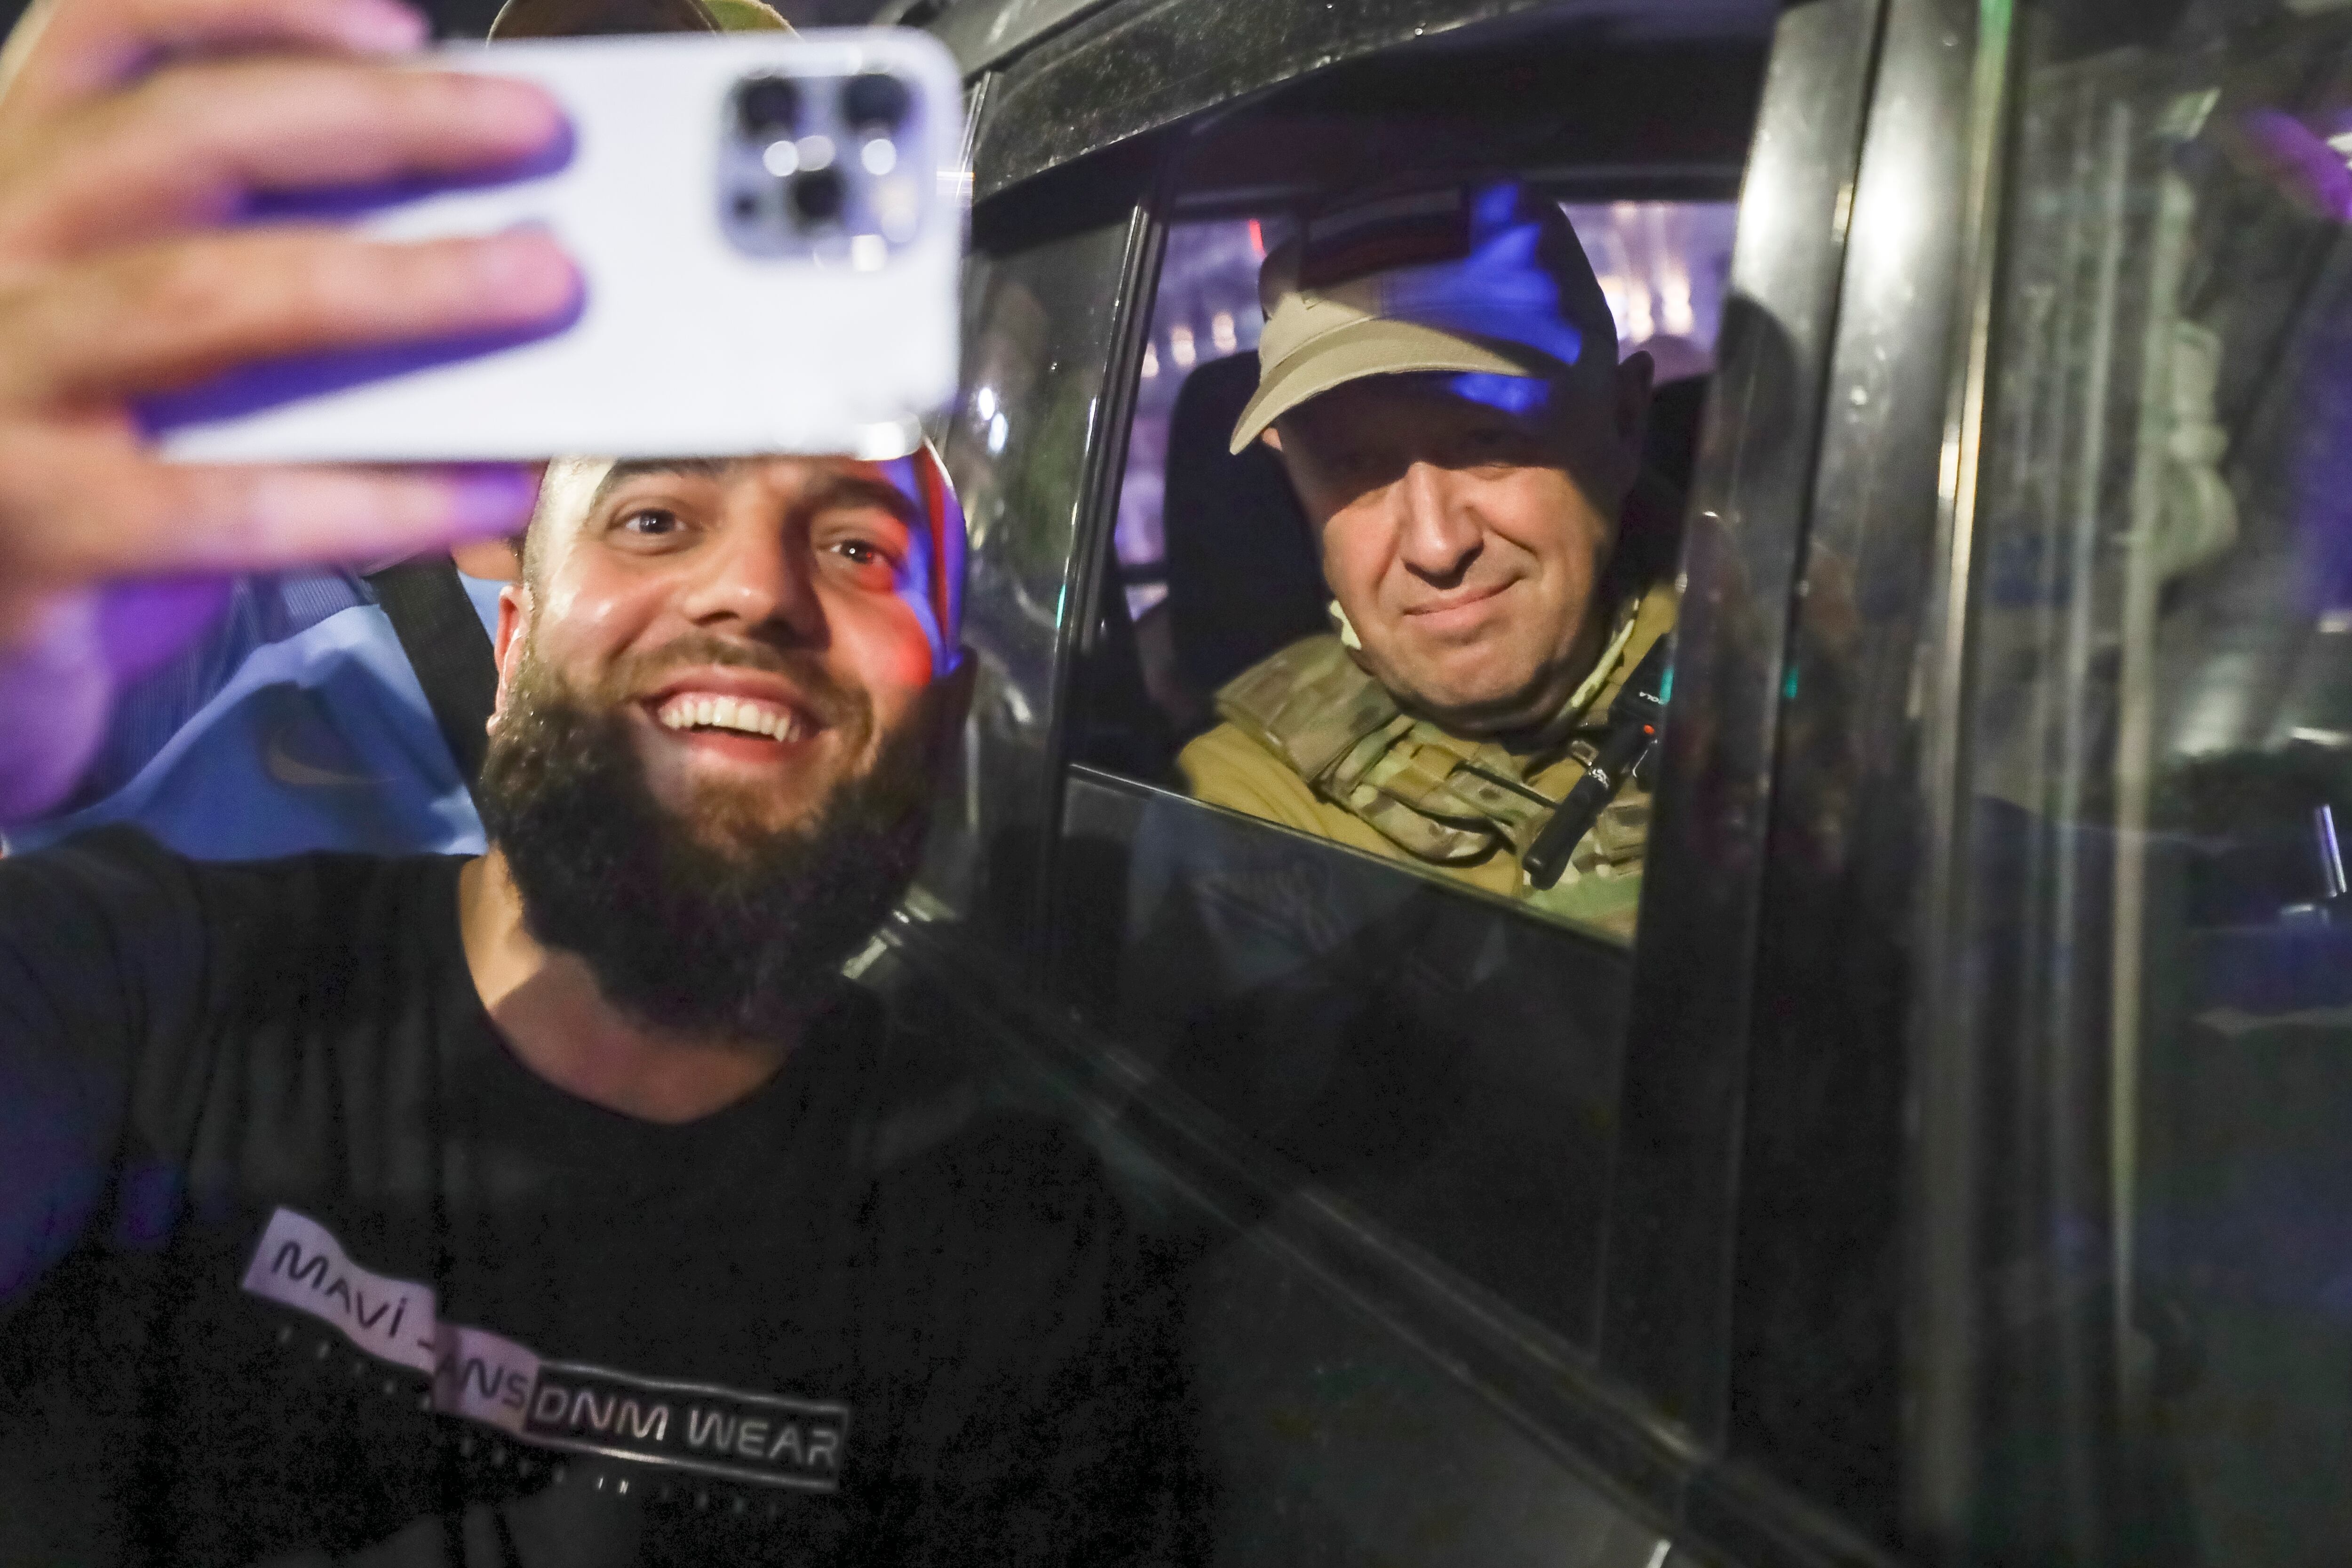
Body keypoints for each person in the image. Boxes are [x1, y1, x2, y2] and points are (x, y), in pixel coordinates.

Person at [0, 0, 1195, 1561]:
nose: (749, 590)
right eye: (654, 518)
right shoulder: (165, 950)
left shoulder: (997, 1252)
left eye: (853, 546)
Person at [1177, 182, 1676, 939]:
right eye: (1355, 467)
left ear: (1624, 422)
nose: (1437, 546)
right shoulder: (1244, 810)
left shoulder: (1799, 705)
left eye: (1489, 441)